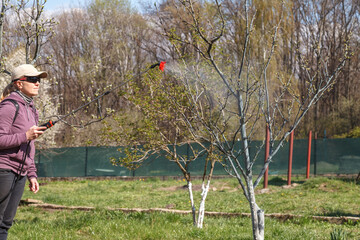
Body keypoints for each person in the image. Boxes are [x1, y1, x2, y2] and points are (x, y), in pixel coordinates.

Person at [0, 64, 47, 239]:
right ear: (19, 84)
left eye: (39, 80)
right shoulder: (9, 106)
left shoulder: (31, 109)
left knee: (6, 223)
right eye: (33, 79)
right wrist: (25, 135)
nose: (38, 83)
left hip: (20, 173)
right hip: (4, 169)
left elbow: (29, 145)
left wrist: (32, 174)